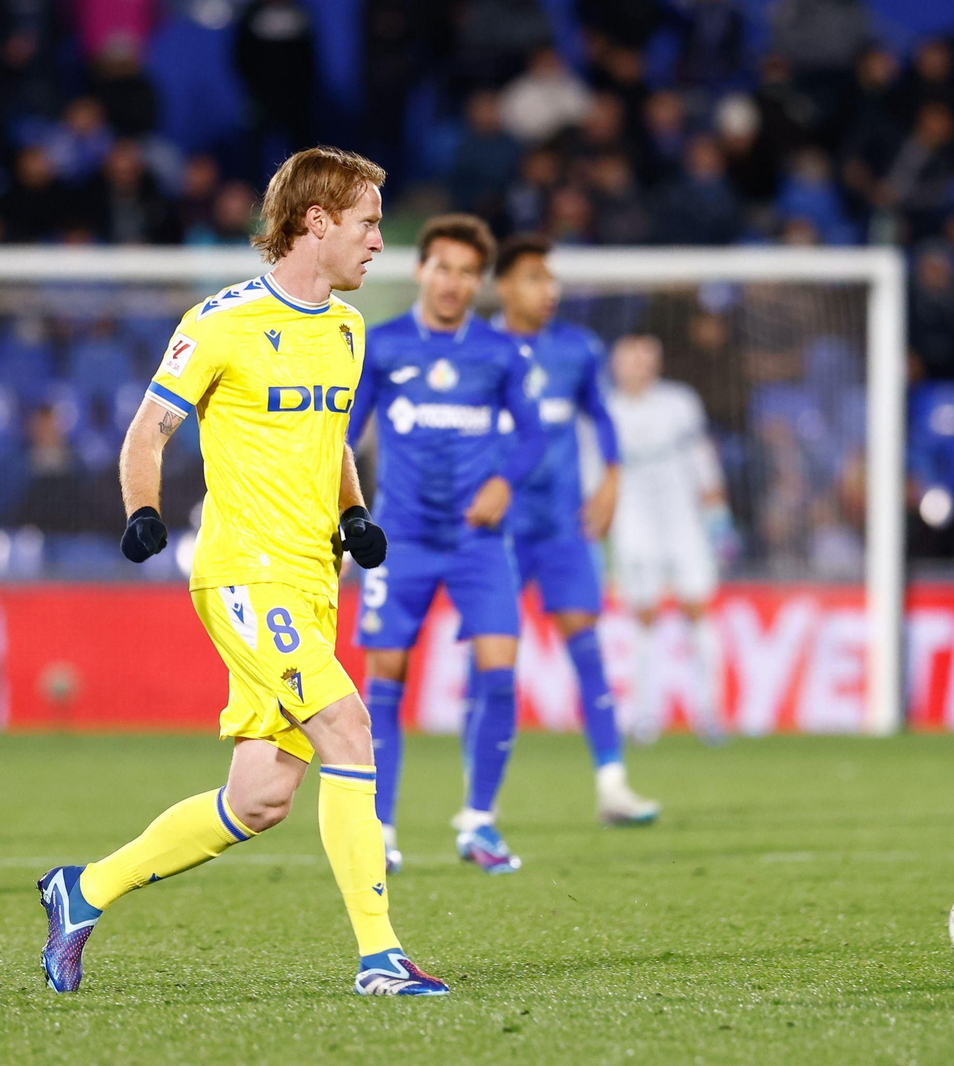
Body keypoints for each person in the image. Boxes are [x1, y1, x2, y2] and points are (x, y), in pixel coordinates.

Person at [37, 147, 449, 998]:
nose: (380, 242)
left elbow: (328, 435)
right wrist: (142, 512)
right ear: (317, 222)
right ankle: (380, 957)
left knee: (259, 800)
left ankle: (83, 891)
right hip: (243, 575)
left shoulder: (346, 327)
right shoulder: (220, 322)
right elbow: (148, 430)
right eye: (369, 224)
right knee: (349, 727)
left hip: (311, 580)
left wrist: (354, 515)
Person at [349, 214, 547, 876]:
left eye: (468, 272)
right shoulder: (380, 346)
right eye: (444, 268)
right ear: (421, 271)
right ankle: (379, 829)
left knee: (499, 667)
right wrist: (346, 512)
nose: (454, 282)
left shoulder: (497, 353)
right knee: (385, 678)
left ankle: (479, 822)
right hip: (400, 536)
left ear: (477, 281)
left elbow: (532, 436)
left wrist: (503, 481)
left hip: (477, 540)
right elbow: (344, 435)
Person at [488, 233, 660, 825]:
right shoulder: (478, 348)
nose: (549, 289)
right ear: (505, 285)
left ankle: (613, 786)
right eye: (535, 277)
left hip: (563, 524)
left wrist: (612, 479)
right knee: (491, 659)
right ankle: (478, 798)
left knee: (586, 650)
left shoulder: (577, 349)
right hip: (499, 528)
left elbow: (602, 417)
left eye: (551, 278)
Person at [606, 334, 729, 743]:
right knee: (643, 615)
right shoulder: (606, 410)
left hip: (684, 523)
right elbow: (597, 476)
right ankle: (644, 715)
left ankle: (710, 713)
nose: (639, 367)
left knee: (698, 610)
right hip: (634, 525)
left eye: (646, 359)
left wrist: (718, 516)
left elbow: (703, 459)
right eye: (630, 359)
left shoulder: (679, 403)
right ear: (616, 365)